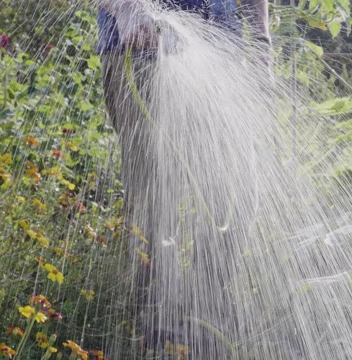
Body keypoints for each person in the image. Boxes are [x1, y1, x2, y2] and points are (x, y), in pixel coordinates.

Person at [96, 0, 270, 354]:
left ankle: (203, 319)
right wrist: (127, 8)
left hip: (221, 52)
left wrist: (262, 43)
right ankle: (152, 334)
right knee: (154, 205)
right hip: (140, 49)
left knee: (238, 195)